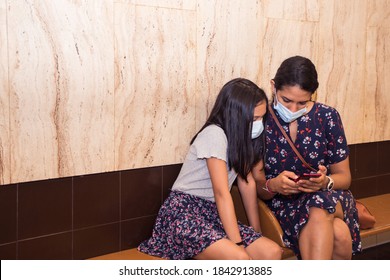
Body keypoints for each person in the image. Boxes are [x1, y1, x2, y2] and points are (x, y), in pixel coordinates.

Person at [138, 78, 282, 260]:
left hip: (212, 214)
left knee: (272, 252)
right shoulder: (214, 134)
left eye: (261, 118)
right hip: (184, 213)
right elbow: (221, 193)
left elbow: (247, 183)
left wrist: (257, 231)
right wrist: (238, 245)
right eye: (254, 119)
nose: (259, 124)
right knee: (240, 258)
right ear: (236, 115)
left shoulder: (242, 138)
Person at [255, 56, 361, 260]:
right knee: (339, 233)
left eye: (302, 102)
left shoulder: (328, 117)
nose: (293, 109)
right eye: (286, 100)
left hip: (330, 198)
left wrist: (325, 182)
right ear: (273, 87)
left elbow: (344, 178)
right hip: (282, 205)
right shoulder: (260, 119)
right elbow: (256, 185)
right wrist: (275, 185)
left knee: (319, 203)